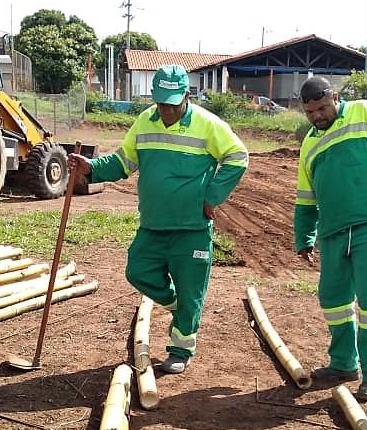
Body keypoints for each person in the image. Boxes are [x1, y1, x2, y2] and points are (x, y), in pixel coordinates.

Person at [68, 64, 248, 374]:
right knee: (137, 271)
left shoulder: (207, 125)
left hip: (191, 229)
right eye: (161, 102)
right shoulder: (144, 122)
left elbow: (238, 156)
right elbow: (124, 162)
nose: (165, 109)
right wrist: (92, 167)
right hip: (153, 224)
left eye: (172, 103)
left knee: (192, 291)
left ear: (187, 96)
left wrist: (212, 196)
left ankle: (180, 349)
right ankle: (177, 307)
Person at [294, 76, 367, 402]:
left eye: (322, 108)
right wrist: (304, 237)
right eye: (310, 112)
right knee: (332, 300)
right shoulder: (310, 143)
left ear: (335, 97)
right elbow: (306, 197)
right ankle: (344, 364)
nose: (317, 116)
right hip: (333, 232)